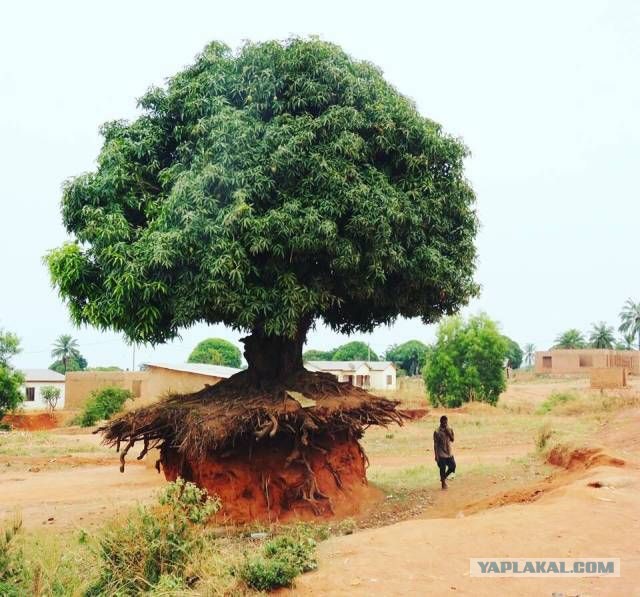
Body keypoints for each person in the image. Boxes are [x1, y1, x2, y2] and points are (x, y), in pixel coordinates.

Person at [433, 415, 456, 489]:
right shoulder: (437, 431)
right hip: (441, 453)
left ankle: (444, 477)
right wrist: (436, 455)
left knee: (453, 466)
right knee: (442, 468)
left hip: (449, 453)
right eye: (443, 422)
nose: (445, 424)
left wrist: (448, 432)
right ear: (440, 422)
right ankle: (443, 483)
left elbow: (452, 439)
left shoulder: (450, 429)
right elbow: (435, 444)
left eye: (446, 422)